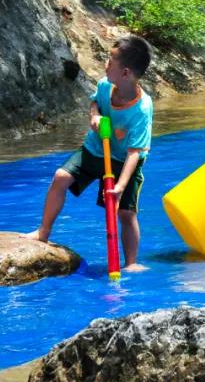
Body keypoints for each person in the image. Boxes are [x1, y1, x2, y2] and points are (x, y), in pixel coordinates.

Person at [24, 35, 153, 273]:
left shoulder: (142, 108)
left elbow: (135, 152)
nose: (105, 64)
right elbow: (94, 103)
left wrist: (120, 186)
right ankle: (43, 232)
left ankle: (131, 263)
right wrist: (94, 116)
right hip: (95, 150)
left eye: (110, 61)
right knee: (61, 177)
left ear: (125, 73)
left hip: (124, 161)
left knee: (126, 213)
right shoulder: (105, 86)